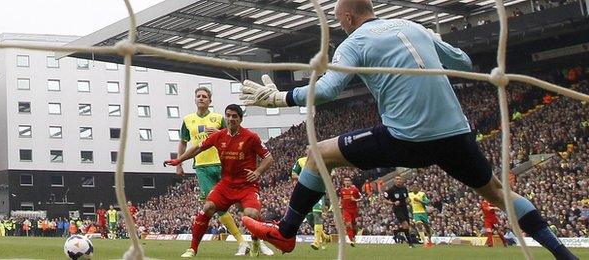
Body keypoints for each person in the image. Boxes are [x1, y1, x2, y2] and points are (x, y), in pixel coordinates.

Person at [238, 0, 579, 258]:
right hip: (455, 134)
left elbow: (327, 91)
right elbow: (462, 62)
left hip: (407, 138)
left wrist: (278, 98)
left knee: (317, 154)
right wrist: (432, 44)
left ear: (346, 18)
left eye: (339, 20)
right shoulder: (413, 27)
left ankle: (285, 232)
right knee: (498, 193)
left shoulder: (354, 42)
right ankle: (562, 254)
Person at [164, 104, 274, 258]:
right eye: (228, 115)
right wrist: (179, 160)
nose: (231, 119)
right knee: (208, 206)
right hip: (226, 184)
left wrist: (257, 172)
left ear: (240, 119)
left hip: (246, 186)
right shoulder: (219, 135)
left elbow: (269, 157)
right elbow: (197, 148)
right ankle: (192, 249)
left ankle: (256, 241)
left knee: (250, 213)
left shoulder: (251, 137)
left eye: (234, 116)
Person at [292, 156, 331, 250]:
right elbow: (293, 174)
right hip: (305, 192)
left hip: (318, 191)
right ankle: (325, 237)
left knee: (317, 214)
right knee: (310, 219)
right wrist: (305, 178)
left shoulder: (322, 160)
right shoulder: (300, 160)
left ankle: (317, 242)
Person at [384, 176, 414, 248]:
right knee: (405, 224)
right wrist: (393, 203)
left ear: (402, 180)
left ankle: (396, 232)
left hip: (404, 208)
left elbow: (406, 198)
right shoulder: (391, 190)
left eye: (400, 179)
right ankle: (410, 243)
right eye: (397, 179)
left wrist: (408, 201)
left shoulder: (404, 188)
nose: (398, 180)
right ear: (394, 181)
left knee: (407, 227)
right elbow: (385, 201)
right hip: (397, 209)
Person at [408, 182, 434, 247]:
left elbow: (427, 202)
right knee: (419, 225)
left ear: (418, 188)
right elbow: (407, 201)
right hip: (415, 213)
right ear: (411, 188)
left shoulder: (422, 194)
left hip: (423, 212)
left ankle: (429, 240)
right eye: (414, 187)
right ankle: (424, 242)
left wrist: (419, 201)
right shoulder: (409, 195)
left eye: (416, 187)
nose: (415, 188)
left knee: (427, 227)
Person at [340, 177, 362, 247]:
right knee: (348, 224)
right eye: (345, 180)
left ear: (351, 182)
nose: (347, 182)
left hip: (354, 210)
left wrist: (355, 200)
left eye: (348, 180)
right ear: (343, 182)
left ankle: (353, 236)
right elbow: (341, 198)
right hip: (346, 210)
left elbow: (361, 198)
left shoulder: (355, 189)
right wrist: (339, 203)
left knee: (354, 225)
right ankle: (351, 240)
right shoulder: (342, 190)